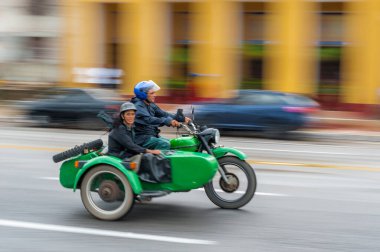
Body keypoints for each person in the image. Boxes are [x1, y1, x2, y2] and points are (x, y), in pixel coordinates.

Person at [131, 80, 191, 150]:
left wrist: (182, 118)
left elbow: (164, 114)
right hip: (141, 138)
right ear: (143, 95)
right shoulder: (138, 106)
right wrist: (167, 121)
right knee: (164, 144)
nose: (155, 95)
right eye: (152, 93)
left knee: (173, 143)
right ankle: (156, 160)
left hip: (151, 135)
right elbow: (149, 119)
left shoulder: (150, 105)